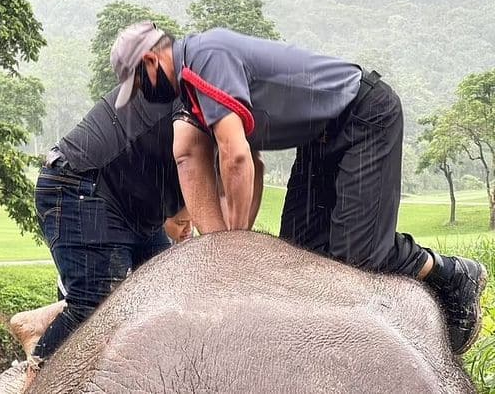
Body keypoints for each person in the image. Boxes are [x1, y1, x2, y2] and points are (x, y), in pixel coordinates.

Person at [109, 21, 487, 354]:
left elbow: (236, 159)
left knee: (359, 258)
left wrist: (231, 247)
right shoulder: (194, 88)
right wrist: (231, 240)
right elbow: (252, 165)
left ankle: (452, 274)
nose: (143, 92)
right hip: (320, 136)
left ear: (151, 62)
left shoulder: (206, 59)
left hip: (364, 115)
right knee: (299, 256)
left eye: (139, 84)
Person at [28, 83, 185, 373]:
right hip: (82, 186)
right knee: (93, 310)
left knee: (162, 296)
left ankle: (41, 322)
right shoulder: (196, 101)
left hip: (132, 208)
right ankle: (35, 380)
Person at [9, 208, 193, 359]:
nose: (188, 229)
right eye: (181, 223)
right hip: (85, 281)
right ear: (162, 220)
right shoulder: (150, 235)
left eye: (190, 222)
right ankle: (36, 337)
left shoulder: (168, 240)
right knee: (93, 317)